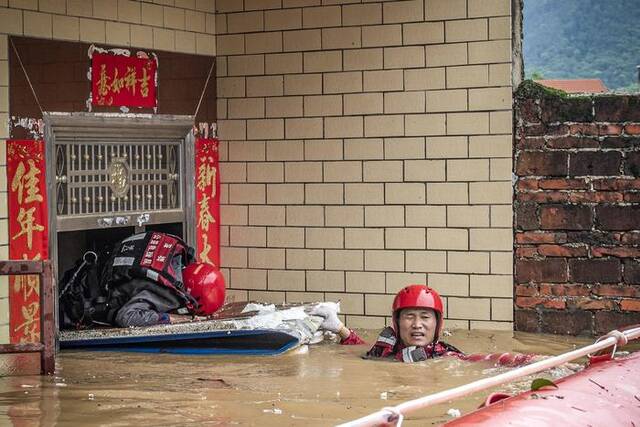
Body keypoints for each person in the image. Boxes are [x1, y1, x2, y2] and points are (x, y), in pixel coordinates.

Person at [313, 284, 533, 366]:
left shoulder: (443, 356)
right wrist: (339, 327)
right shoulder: (387, 350)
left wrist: (530, 361)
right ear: (397, 323)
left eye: (425, 317)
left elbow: (486, 359)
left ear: (437, 324)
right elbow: (360, 348)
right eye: (409, 316)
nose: (417, 325)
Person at [98, 231, 226, 328]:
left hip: (106, 258)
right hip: (98, 291)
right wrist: (172, 318)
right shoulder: (169, 296)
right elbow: (125, 317)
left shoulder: (180, 257)